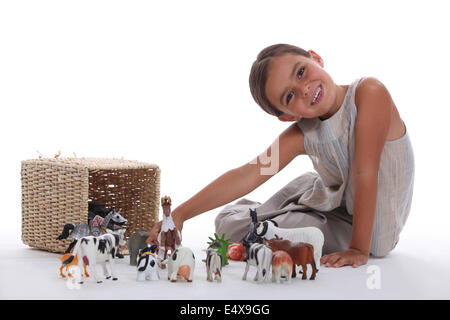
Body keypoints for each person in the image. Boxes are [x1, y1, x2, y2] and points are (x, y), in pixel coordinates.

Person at [146, 44, 415, 269]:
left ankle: (279, 213)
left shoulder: (369, 93)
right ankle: (275, 210)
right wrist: (180, 214)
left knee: (252, 230)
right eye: (290, 96)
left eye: (301, 72)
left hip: (370, 228)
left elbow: (365, 172)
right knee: (228, 226)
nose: (305, 89)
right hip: (334, 201)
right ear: (288, 115)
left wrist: (358, 249)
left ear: (316, 58)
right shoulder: (302, 132)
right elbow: (247, 175)